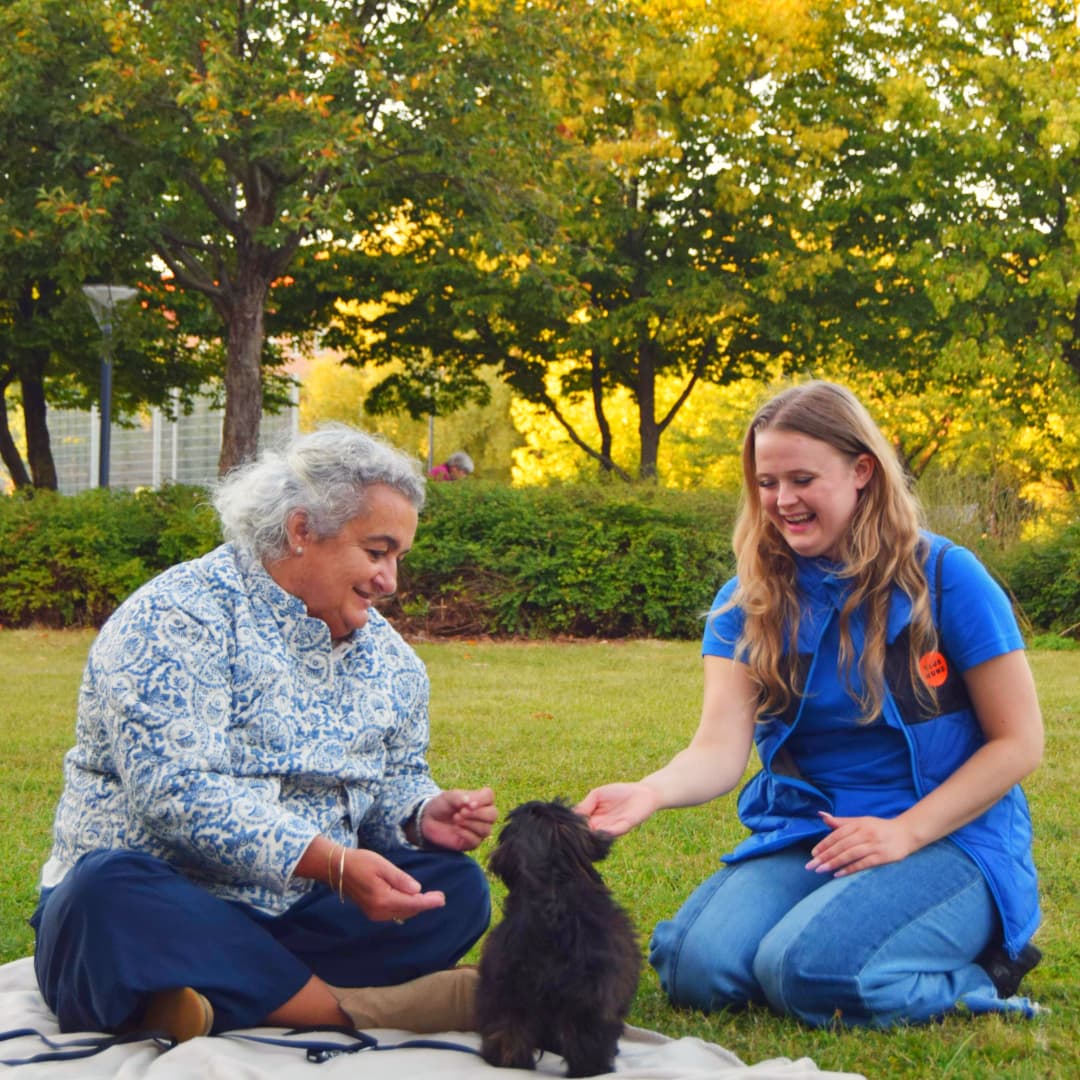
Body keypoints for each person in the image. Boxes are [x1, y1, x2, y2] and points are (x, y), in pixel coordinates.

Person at [578, 380, 1044, 1028]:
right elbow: (718, 748)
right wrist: (650, 792)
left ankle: (980, 977)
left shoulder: (945, 576)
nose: (782, 501)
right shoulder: (748, 598)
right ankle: (834, 938)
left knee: (807, 971)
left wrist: (904, 832)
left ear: (861, 471)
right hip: (815, 835)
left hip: (948, 838)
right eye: (767, 482)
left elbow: (1019, 742)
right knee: (694, 967)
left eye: (801, 479)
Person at [30, 425, 497, 1043]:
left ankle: (208, 996)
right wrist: (330, 863)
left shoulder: (393, 662)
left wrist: (421, 814)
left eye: (398, 559)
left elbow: (392, 782)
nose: (390, 581)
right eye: (377, 552)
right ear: (303, 531)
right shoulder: (177, 616)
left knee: (456, 889)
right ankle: (353, 1009)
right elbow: (176, 792)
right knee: (103, 892)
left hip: (304, 910)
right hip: (167, 899)